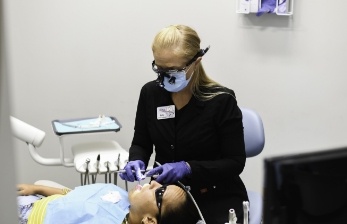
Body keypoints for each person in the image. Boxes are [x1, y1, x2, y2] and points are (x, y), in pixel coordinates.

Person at [119, 24, 249, 224]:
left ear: (196, 62)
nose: (163, 77)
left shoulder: (221, 101)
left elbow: (235, 162)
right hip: (166, 200)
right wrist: (136, 160)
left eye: (172, 70)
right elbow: (141, 143)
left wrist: (189, 168)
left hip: (215, 195)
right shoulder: (150, 94)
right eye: (159, 68)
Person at [17, 181, 201, 224]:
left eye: (159, 192)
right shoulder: (123, 198)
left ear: (150, 221)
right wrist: (36, 188)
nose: (153, 182)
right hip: (35, 199)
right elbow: (73, 195)